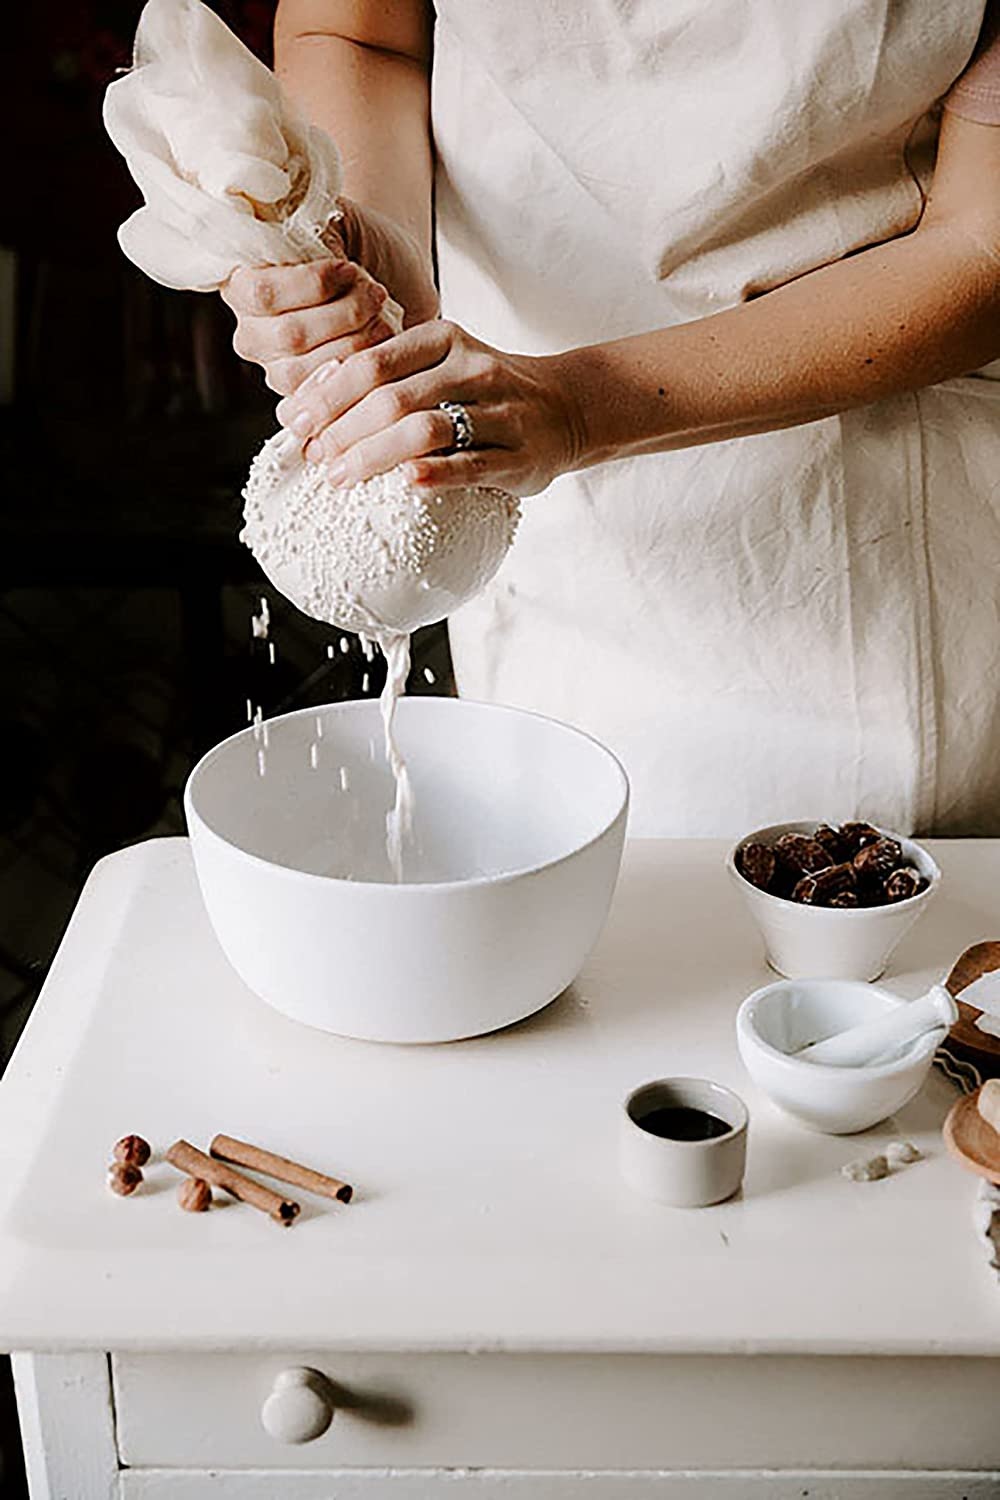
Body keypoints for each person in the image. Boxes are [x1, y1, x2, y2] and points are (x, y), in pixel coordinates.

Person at [223, 1, 1000, 837]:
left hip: (881, 531)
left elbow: (984, 248)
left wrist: (581, 408)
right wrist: (374, 230)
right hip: (538, 512)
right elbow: (357, 32)